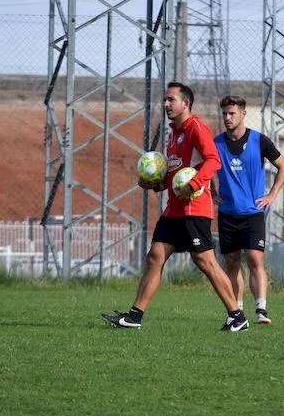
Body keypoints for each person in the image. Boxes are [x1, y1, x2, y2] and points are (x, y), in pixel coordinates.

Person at [101, 82, 249, 332]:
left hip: (193, 209)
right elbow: (173, 174)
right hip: (174, 210)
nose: (166, 104)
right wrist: (155, 183)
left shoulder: (196, 129)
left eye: (171, 100)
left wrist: (194, 184)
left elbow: (213, 161)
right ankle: (135, 316)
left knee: (206, 262)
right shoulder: (173, 135)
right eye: (166, 100)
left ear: (185, 103)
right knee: (155, 256)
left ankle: (237, 316)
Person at [214, 95, 284, 325]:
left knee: (255, 258)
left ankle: (261, 310)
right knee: (232, 262)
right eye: (225, 114)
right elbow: (204, 167)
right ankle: (237, 312)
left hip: (253, 212)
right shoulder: (216, 143)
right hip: (227, 213)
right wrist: (210, 191)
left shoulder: (259, 141)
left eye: (232, 113)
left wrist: (272, 194)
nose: (227, 118)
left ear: (243, 114)